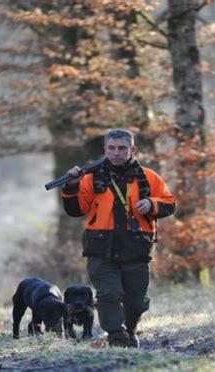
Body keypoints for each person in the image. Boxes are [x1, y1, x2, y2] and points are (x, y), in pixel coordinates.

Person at [61, 128, 176, 348]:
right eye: (111, 148)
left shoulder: (150, 177)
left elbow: (170, 203)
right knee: (108, 295)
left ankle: (129, 330)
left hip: (137, 249)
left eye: (122, 148)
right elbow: (76, 210)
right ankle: (116, 336)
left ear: (132, 149)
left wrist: (152, 204)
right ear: (105, 149)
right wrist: (71, 185)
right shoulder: (91, 177)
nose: (116, 153)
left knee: (136, 302)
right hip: (100, 248)